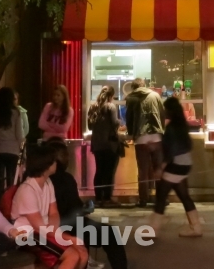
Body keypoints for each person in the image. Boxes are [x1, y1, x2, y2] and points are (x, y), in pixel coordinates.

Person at [46, 139, 127, 269]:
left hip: (62, 224)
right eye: (66, 155)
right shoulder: (64, 179)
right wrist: (85, 208)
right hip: (67, 226)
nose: (68, 159)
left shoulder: (42, 178)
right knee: (109, 233)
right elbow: (74, 208)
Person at [10, 146, 88, 269]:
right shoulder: (27, 190)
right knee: (72, 255)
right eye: (53, 161)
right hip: (28, 234)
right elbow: (39, 227)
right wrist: (67, 238)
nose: (56, 163)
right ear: (45, 165)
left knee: (82, 253)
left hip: (45, 232)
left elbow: (53, 213)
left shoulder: (48, 183)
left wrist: (55, 232)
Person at [151, 96, 202, 237]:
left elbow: (170, 151)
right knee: (184, 196)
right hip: (185, 164)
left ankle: (153, 229)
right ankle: (196, 227)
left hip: (175, 165)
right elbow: (188, 145)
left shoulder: (170, 128)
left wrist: (161, 167)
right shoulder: (182, 126)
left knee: (161, 196)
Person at [124, 78, 164, 208]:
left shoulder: (131, 98)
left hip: (141, 137)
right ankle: (160, 199)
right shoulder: (155, 95)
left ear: (133, 87)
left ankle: (143, 199)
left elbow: (129, 118)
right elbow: (162, 114)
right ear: (144, 85)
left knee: (143, 170)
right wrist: (161, 130)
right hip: (156, 136)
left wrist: (131, 133)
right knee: (158, 169)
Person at [86, 86, 122, 206]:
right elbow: (114, 123)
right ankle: (107, 198)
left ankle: (98, 198)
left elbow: (90, 127)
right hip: (109, 144)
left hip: (97, 143)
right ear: (111, 96)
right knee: (109, 172)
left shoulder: (93, 107)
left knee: (99, 170)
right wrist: (120, 122)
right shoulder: (110, 106)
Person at [0, 87, 24, 194]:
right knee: (11, 180)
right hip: (12, 150)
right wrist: (20, 146)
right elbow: (20, 134)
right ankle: (9, 202)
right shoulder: (16, 113)